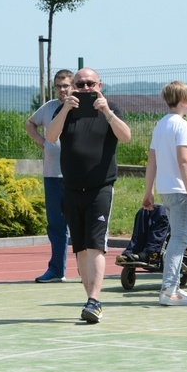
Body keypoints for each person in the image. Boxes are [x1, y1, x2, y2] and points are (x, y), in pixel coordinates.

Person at [45, 67, 131, 323]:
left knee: (95, 245)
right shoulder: (65, 111)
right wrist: (65, 110)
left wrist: (106, 112)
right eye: (79, 85)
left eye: (90, 84)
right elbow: (50, 137)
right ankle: (90, 300)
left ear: (99, 85)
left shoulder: (111, 108)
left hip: (100, 188)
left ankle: (94, 299)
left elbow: (126, 137)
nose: (85, 89)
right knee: (80, 248)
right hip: (71, 188)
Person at [143, 81, 187, 306]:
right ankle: (169, 289)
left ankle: (172, 286)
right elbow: (184, 160)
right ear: (185, 101)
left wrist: (149, 190)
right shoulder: (182, 125)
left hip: (166, 189)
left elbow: (152, 159)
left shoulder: (161, 124)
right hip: (178, 190)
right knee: (179, 238)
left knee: (175, 237)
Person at [25, 69, 72, 283]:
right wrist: (42, 142)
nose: (62, 90)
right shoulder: (49, 107)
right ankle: (56, 270)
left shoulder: (82, 108)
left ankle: (86, 269)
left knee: (81, 225)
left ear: (74, 86)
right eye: (59, 86)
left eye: (66, 85)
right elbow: (30, 123)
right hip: (52, 175)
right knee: (56, 225)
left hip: (77, 176)